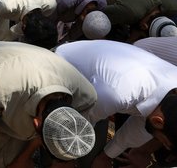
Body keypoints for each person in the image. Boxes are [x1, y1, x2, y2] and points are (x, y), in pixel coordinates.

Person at [0, 41, 97, 168]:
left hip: (31, 68)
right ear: (35, 123)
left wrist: (24, 158)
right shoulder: (2, 92)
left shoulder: (85, 97)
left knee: (6, 158)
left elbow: (46, 133)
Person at [56, 40, 177, 168]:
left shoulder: (165, 102)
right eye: (162, 141)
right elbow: (74, 127)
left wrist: (105, 157)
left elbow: (137, 129)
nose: (158, 142)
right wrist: (64, 160)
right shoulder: (119, 93)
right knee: (71, 151)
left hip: (96, 95)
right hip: (59, 70)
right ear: (158, 121)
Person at [81, 0, 177, 42]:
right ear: (144, 26)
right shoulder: (132, 12)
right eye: (141, 37)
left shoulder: (171, 6)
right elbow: (92, 16)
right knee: (96, 29)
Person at [30, 0, 110, 42]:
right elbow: (46, 24)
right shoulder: (64, 1)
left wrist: (61, 45)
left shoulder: (102, 4)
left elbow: (76, 31)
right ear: (83, 14)